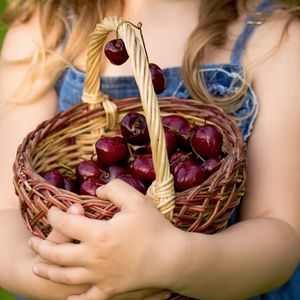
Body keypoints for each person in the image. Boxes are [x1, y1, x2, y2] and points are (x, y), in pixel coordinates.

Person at [0, 0, 300, 299]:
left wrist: (172, 262)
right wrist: (72, 280)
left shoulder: (275, 38)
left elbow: (281, 234)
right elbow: (6, 213)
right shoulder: (45, 28)